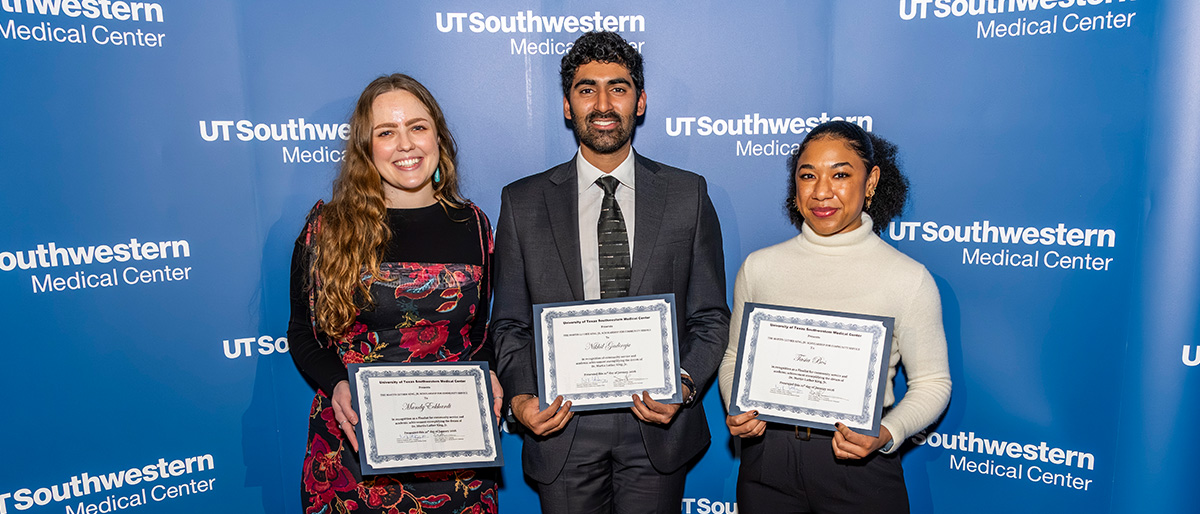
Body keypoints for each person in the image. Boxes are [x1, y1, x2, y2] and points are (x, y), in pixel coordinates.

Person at [491, 31, 730, 513]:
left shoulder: (687, 195)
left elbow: (710, 317)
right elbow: (510, 323)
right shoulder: (523, 202)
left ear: (640, 102)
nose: (603, 103)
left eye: (618, 88)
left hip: (657, 427)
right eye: (586, 89)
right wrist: (519, 399)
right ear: (567, 105)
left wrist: (681, 385)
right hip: (562, 426)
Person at [287, 73, 500, 514]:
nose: (405, 144)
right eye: (387, 132)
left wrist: (491, 374)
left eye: (417, 127)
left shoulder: (474, 226)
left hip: (453, 453)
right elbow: (303, 333)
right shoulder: (327, 229)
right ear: (366, 148)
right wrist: (336, 384)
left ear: (438, 137)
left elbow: (481, 332)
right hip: (354, 448)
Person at [718, 121, 951, 513]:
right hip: (766, 462)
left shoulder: (908, 279)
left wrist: (888, 432)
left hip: (860, 467)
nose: (821, 191)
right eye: (807, 175)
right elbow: (733, 360)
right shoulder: (759, 268)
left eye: (840, 174)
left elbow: (933, 382)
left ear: (872, 180)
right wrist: (737, 407)